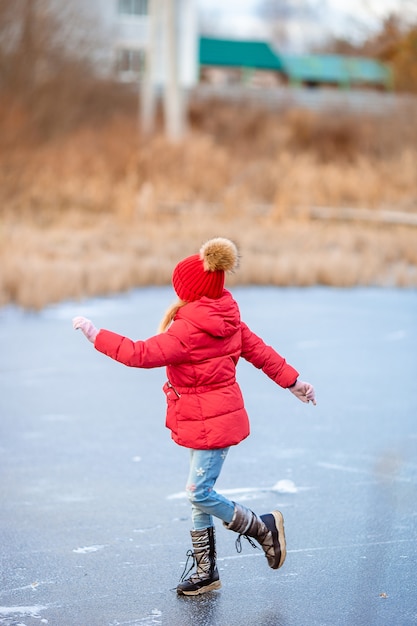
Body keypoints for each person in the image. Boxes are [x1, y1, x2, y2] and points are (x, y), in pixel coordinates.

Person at [72, 237, 316, 596]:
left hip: (211, 423)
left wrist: (96, 335)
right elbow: (262, 353)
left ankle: (263, 527)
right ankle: (206, 572)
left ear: (188, 291)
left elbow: (139, 354)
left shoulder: (187, 330)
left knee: (198, 492)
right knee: (199, 493)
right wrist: (292, 381)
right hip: (204, 420)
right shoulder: (227, 318)